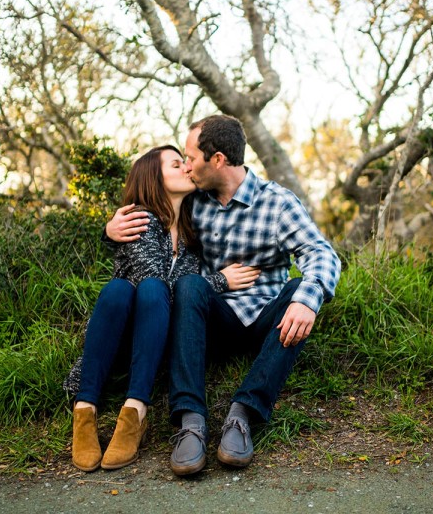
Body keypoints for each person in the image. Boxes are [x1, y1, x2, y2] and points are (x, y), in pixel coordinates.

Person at [105, 115, 342, 476]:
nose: (186, 166)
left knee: (300, 290)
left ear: (217, 159)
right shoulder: (194, 201)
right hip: (212, 320)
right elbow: (154, 215)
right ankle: (191, 420)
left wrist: (308, 298)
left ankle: (243, 414)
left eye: (191, 157)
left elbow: (321, 253)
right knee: (190, 285)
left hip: (266, 319)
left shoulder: (277, 202)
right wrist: (110, 230)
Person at [70, 145, 258, 472]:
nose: (187, 168)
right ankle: (84, 410)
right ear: (153, 177)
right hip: (123, 335)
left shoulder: (191, 233)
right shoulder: (137, 219)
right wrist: (220, 281)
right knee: (125, 288)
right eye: (176, 164)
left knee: (151, 289)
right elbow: (156, 282)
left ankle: (135, 410)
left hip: (157, 340)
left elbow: (183, 298)